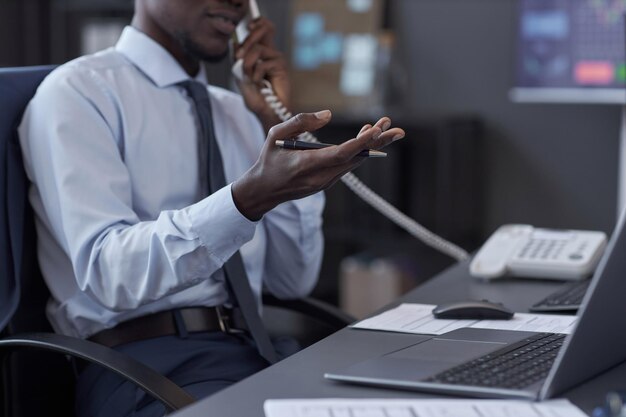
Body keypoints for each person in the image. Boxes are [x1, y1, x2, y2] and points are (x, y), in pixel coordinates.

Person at [18, 0, 405, 416]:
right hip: (146, 372)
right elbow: (108, 272)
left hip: (259, 355)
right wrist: (246, 199)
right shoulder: (77, 93)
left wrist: (267, 126)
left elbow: (292, 281)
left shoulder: (242, 114)